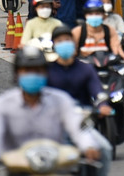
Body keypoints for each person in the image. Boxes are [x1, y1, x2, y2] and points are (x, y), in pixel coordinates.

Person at [0, 46, 101, 172]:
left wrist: (88, 146)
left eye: (38, 71)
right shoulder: (3, 103)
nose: (32, 75)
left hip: (55, 166)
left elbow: (78, 126)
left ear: (46, 73)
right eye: (27, 71)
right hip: (17, 169)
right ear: (17, 74)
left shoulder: (61, 100)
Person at [45, 27, 113, 176]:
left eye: (67, 40)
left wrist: (102, 105)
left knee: (105, 149)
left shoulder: (86, 69)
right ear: (53, 45)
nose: (64, 43)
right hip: (56, 125)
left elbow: (98, 91)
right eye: (60, 41)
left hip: (82, 123)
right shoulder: (48, 71)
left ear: (74, 43)